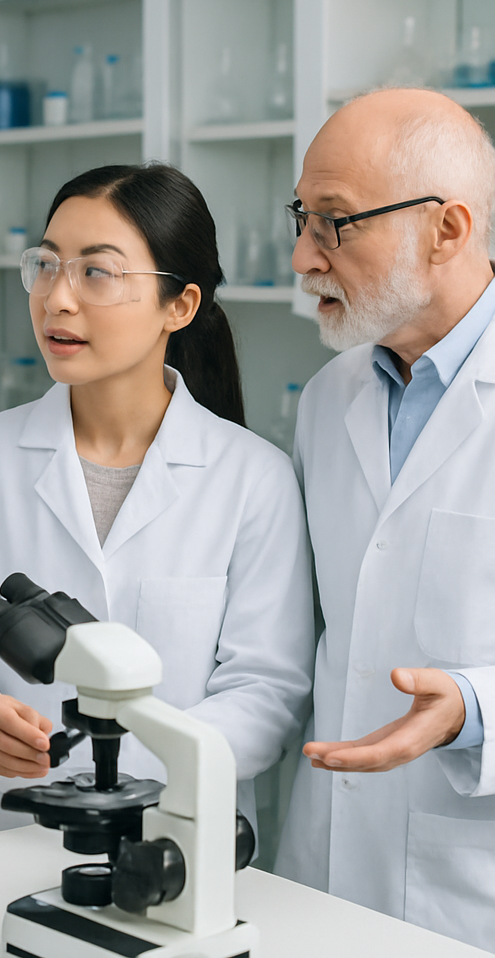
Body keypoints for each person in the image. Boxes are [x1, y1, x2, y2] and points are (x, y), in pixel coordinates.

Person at [0, 163, 315, 841]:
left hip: (175, 837)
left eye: (96, 272)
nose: (57, 299)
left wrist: (128, 776)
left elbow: (268, 690)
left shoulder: (252, 479)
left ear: (179, 306)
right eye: (48, 265)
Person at [273, 87, 495, 950]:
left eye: (335, 223)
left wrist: (474, 708)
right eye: (303, 217)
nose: (302, 256)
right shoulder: (329, 400)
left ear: (447, 230)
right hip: (323, 869)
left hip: (467, 891)